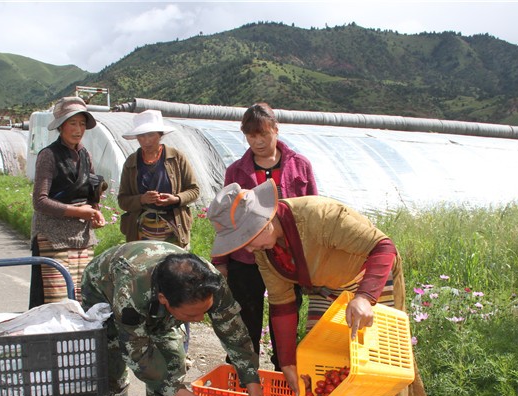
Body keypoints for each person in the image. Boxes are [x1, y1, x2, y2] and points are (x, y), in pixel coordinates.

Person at [207, 180, 437, 396]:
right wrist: (288, 362)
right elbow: (283, 304)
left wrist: (364, 297)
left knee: (376, 371)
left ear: (265, 218)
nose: (248, 248)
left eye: (248, 237)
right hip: (326, 290)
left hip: (370, 282)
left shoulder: (319, 215)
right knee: (324, 371)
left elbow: (383, 248)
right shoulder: (265, 252)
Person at [80, 241, 293, 396]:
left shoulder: (210, 281)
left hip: (157, 296)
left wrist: (256, 395)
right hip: (104, 291)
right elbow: (137, 354)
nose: (200, 319)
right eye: (192, 316)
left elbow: (235, 336)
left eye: (204, 312)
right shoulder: (131, 294)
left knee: (173, 359)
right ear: (164, 300)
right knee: (113, 374)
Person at [211, 103, 317, 368]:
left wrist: (309, 260)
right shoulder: (236, 171)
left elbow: (312, 211)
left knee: (286, 318)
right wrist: (221, 262)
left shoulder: (300, 165)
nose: (258, 141)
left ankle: (283, 372)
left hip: (287, 256)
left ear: (276, 130)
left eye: (263, 134)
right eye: (251, 136)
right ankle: (244, 376)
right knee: (245, 321)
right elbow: (227, 217)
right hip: (247, 258)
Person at [29, 96, 107, 308]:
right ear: (61, 126)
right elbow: (40, 201)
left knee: (83, 297)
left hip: (82, 237)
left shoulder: (85, 155)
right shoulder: (49, 155)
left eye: (82, 124)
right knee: (59, 301)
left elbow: (91, 191)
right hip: (53, 237)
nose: (78, 129)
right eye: (73, 123)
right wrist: (78, 212)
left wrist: (96, 212)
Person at [118, 109, 200, 249]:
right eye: (141, 136)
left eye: (151, 135)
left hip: (174, 230)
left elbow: (194, 190)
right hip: (141, 232)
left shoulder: (176, 158)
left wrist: (176, 199)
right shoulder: (131, 162)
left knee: (174, 262)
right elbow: (123, 201)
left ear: (160, 135)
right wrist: (142, 199)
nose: (146, 141)